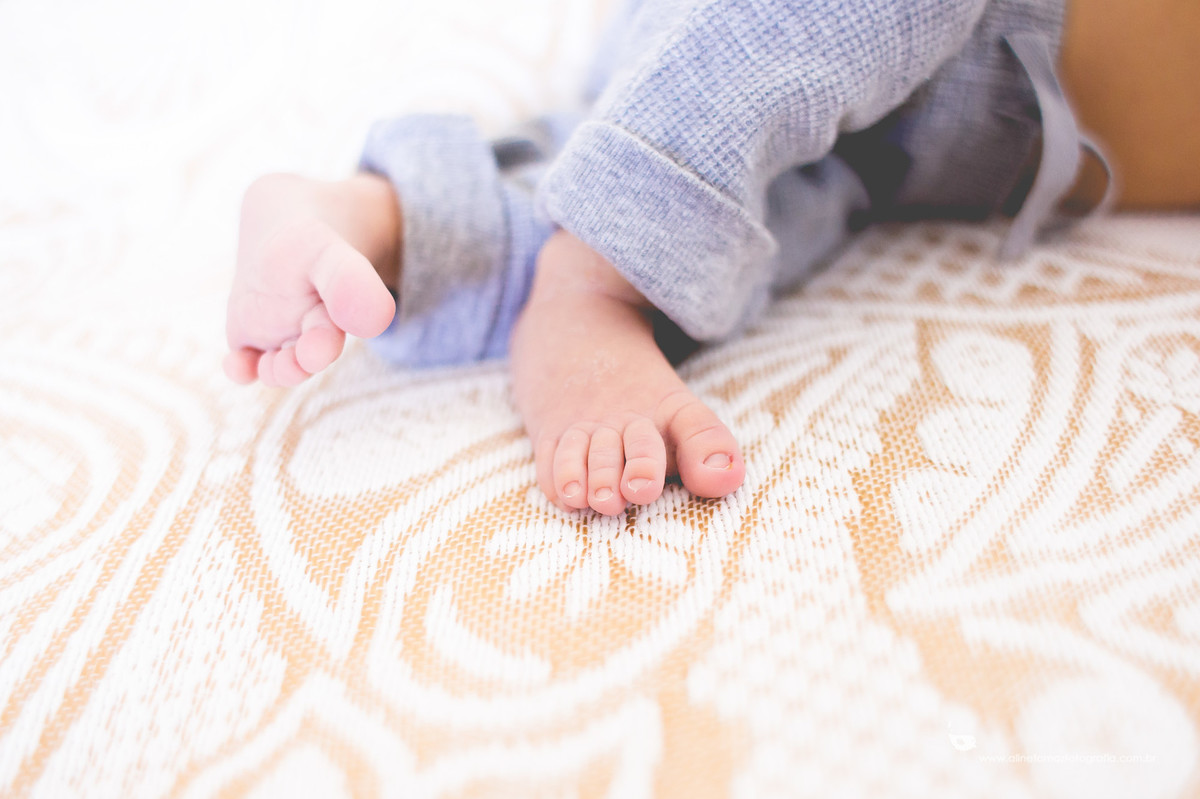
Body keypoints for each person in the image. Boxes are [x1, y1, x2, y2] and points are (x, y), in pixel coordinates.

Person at [222, 0, 1199, 516]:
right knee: (654, 209)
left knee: (695, 226)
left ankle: (378, 218)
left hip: (905, 144)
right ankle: (597, 279)